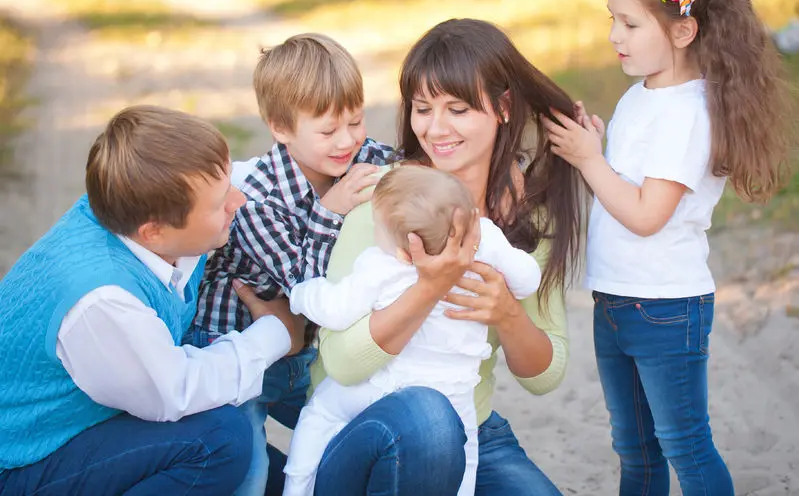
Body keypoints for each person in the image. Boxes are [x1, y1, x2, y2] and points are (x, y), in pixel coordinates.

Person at [290, 18, 586, 495]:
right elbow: (343, 364)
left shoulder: (524, 216)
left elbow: (545, 376)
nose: (436, 129)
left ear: (503, 107)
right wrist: (430, 286)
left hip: (470, 428)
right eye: (423, 109)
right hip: (361, 424)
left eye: (458, 109)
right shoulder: (386, 197)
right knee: (428, 417)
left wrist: (508, 315)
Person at [543, 0, 792, 496]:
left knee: (684, 442)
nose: (614, 36)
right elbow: (629, 183)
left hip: (665, 306)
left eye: (630, 25)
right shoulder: (643, 96)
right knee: (634, 447)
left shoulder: (687, 115)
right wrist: (599, 148)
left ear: (682, 31)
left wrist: (587, 161)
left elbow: (646, 214)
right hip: (615, 298)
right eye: (613, 20)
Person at [0, 105, 306, 496]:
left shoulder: (147, 206)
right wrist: (277, 333)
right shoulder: (102, 301)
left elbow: (261, 176)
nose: (239, 199)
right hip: (23, 459)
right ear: (154, 233)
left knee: (279, 478)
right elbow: (174, 391)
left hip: (100, 417)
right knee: (220, 442)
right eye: (217, 204)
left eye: (227, 182)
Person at [190, 33, 395, 495]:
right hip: (237, 353)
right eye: (328, 130)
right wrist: (330, 211)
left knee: (358, 435)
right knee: (246, 468)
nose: (347, 140)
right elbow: (308, 284)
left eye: (356, 120)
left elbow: (407, 176)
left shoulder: (362, 157)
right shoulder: (255, 199)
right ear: (281, 128)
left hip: (305, 354)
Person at [283, 165, 542, 496]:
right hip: (456, 390)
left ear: (407, 252)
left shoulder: (383, 266)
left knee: (320, 411)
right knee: (466, 457)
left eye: (377, 227)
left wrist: (301, 294)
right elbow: (528, 279)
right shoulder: (485, 242)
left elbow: (335, 310)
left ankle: (297, 487)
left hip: (384, 387)